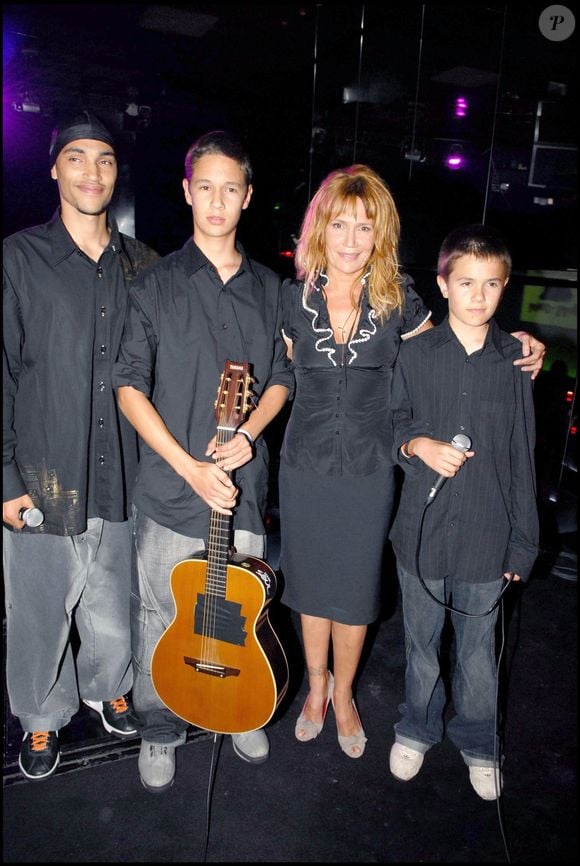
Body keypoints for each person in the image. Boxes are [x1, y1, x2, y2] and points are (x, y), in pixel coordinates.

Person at [277, 166, 545, 760]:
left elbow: (453, 343)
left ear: (382, 233)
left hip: (373, 469)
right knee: (310, 590)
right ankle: (315, 689)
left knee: (352, 591)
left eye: (365, 226)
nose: (351, 238)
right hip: (304, 467)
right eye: (340, 223)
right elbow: (280, 375)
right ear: (320, 226)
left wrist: (517, 344)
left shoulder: (399, 298)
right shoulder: (290, 298)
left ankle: (345, 696)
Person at [113, 130, 294, 793]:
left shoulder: (273, 289)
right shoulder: (154, 285)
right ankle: (159, 729)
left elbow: (281, 378)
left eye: (231, 189)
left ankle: (235, 705)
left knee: (235, 610)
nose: (218, 202)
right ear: (188, 192)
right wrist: (188, 467)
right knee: (161, 615)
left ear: (247, 198)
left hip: (242, 494)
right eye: (205, 187)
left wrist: (249, 433)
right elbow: (128, 386)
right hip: (168, 490)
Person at [3, 110, 159, 781]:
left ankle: (108, 685)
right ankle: (40, 719)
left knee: (113, 600)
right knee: (38, 609)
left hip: (122, 472)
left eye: (104, 159)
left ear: (115, 172)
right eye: (76, 157)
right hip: (43, 472)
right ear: (54, 168)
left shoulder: (146, 266)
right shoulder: (18, 258)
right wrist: (5, 475)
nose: (91, 171)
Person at [387, 223, 539, 800]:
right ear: (443, 284)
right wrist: (417, 445)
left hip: (486, 535)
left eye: (492, 284)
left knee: (478, 654)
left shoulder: (515, 364)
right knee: (422, 646)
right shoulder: (415, 354)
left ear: (504, 289)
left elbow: (523, 457)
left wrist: (523, 544)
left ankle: (479, 742)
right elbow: (390, 427)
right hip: (421, 534)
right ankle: (416, 728)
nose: (479, 296)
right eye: (467, 282)